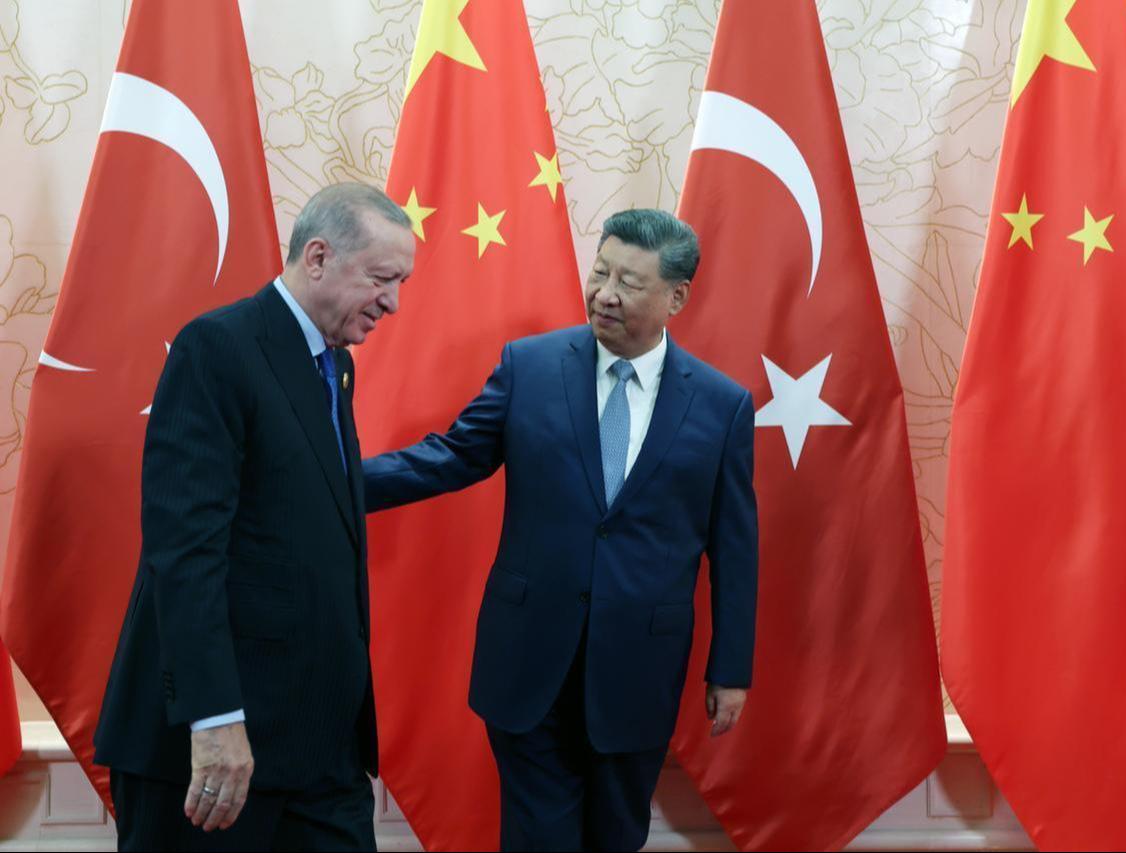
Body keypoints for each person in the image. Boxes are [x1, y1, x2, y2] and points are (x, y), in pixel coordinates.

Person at [364, 208, 758, 852]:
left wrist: (731, 668)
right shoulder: (531, 367)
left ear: (676, 297)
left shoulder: (721, 405)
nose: (605, 294)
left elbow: (735, 548)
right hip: (529, 661)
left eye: (629, 282)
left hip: (638, 670)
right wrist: (333, 480)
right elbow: (451, 457)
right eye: (600, 272)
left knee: (615, 837)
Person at [93, 183, 415, 851]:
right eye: (382, 279)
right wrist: (214, 718)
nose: (393, 302)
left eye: (400, 283)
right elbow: (185, 548)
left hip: (319, 748)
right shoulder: (218, 347)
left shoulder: (336, 366)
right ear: (318, 258)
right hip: (216, 748)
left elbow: (311, 499)